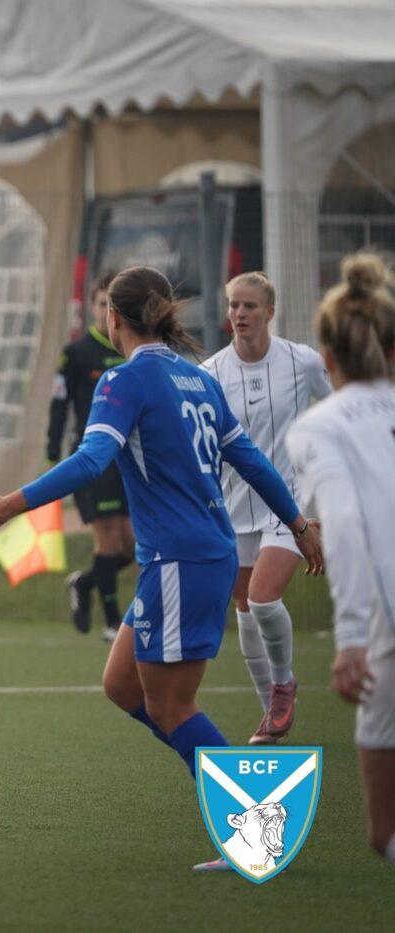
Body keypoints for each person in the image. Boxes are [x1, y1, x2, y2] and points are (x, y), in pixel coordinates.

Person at [0, 266, 322, 869]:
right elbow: (251, 460)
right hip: (199, 553)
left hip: (181, 559)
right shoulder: (196, 377)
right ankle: (239, 797)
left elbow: (92, 458)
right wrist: (299, 525)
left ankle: (257, 825)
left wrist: (11, 505)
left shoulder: (125, 379)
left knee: (173, 706)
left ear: (112, 318)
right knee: (121, 685)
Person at [286, 252, 395, 868]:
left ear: (326, 359)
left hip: (387, 630)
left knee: (384, 831)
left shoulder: (318, 428)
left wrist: (352, 639)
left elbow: (346, 527)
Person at [201, 271, 331, 745]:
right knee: (244, 608)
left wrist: (318, 500)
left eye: (250, 306)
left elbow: (334, 415)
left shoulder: (303, 361)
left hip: (289, 506)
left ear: (270, 312)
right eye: (233, 305)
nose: (239, 314)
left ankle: (283, 686)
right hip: (232, 507)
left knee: (262, 598)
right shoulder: (210, 373)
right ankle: (271, 718)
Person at [47, 273, 133, 640]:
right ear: (91, 307)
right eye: (101, 304)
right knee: (109, 539)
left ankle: (84, 583)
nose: (106, 311)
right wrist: (53, 447)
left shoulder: (133, 351)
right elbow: (59, 401)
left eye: (113, 305)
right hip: (94, 459)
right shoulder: (77, 353)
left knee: (134, 545)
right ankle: (113, 622)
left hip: (130, 458)